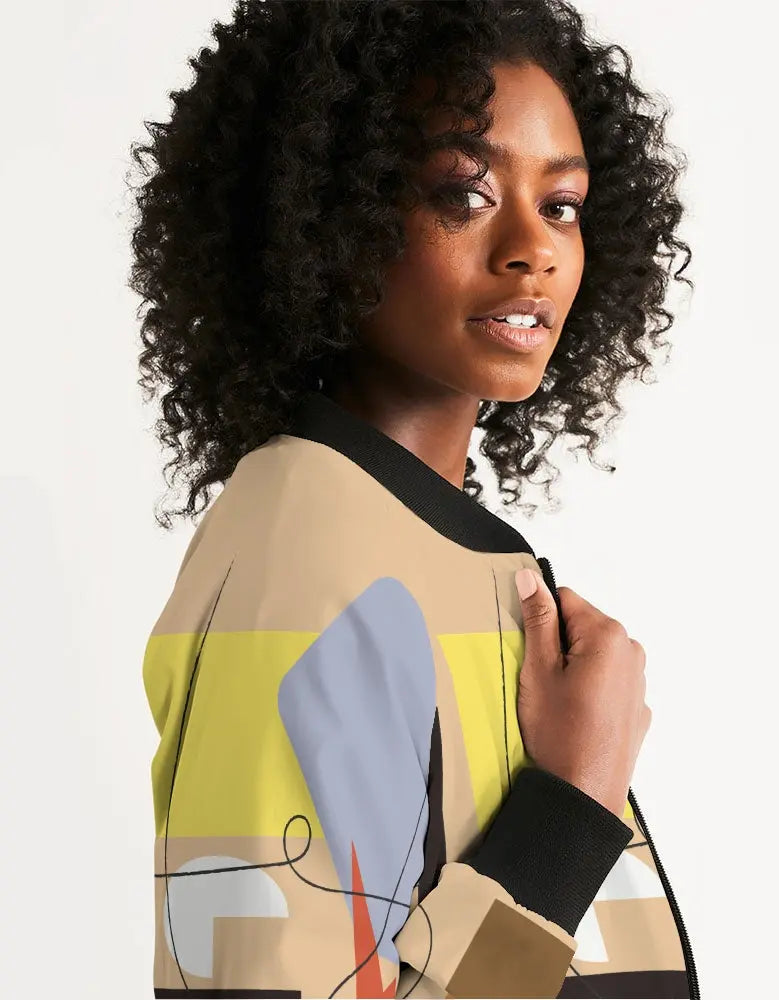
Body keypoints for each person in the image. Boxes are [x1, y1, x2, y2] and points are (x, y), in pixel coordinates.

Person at [129, 2, 697, 997]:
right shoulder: (309, 565)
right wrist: (570, 804)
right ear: (327, 216)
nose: (533, 247)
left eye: (561, 204)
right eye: (462, 193)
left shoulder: (412, 540)